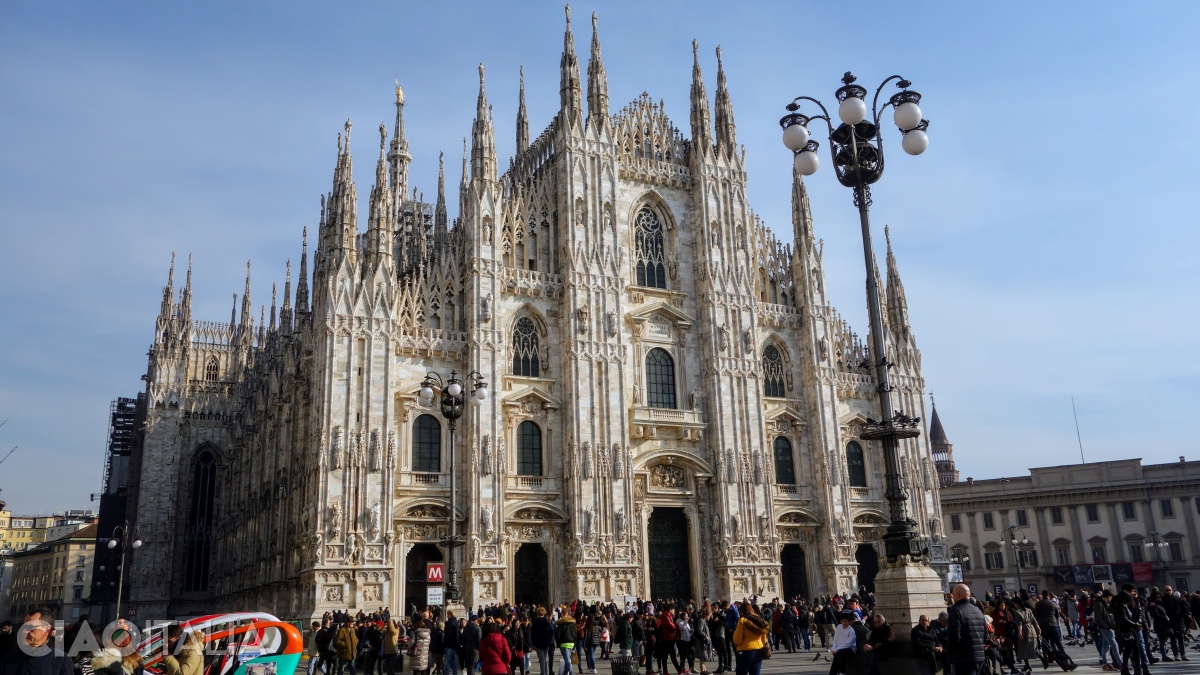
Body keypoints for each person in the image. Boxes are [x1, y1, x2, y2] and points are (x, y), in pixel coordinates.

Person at [0, 609, 73, 675]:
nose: (24, 631)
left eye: (30, 627)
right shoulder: (7, 660)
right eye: (23, 627)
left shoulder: (61, 660)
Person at [946, 584, 987, 675]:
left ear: (957, 595)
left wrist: (950, 654)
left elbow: (954, 636)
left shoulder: (955, 610)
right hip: (979, 656)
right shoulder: (978, 610)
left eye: (953, 595)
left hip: (963, 658)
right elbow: (985, 635)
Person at [730, 603, 767, 675]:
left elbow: (737, 640)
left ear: (741, 611)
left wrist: (734, 634)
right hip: (758, 651)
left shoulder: (742, 621)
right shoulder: (759, 619)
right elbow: (764, 638)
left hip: (746, 651)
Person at [1160, 586, 1192, 662]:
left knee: (1181, 639)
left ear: (1172, 590)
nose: (1168, 591)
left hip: (1179, 622)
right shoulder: (1162, 600)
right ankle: (1176, 655)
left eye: (1169, 590)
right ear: (1164, 591)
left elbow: (1184, 609)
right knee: (1173, 639)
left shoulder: (1177, 599)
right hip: (1169, 623)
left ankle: (1183, 654)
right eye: (1166, 590)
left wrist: (1188, 614)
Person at [531, 608, 556, 675]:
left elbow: (532, 633)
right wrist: (549, 641)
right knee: (544, 659)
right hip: (546, 643)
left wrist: (533, 643)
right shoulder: (547, 622)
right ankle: (545, 672)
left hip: (538, 644)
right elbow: (551, 632)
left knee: (542, 659)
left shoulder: (535, 622)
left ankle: (543, 673)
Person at [555, 610, 577, 675]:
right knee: (568, 659)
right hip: (571, 643)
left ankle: (568, 673)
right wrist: (574, 643)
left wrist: (558, 643)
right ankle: (570, 672)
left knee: (567, 659)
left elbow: (557, 635)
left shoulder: (561, 624)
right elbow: (575, 634)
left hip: (564, 643)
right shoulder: (572, 624)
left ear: (561, 614)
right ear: (567, 613)